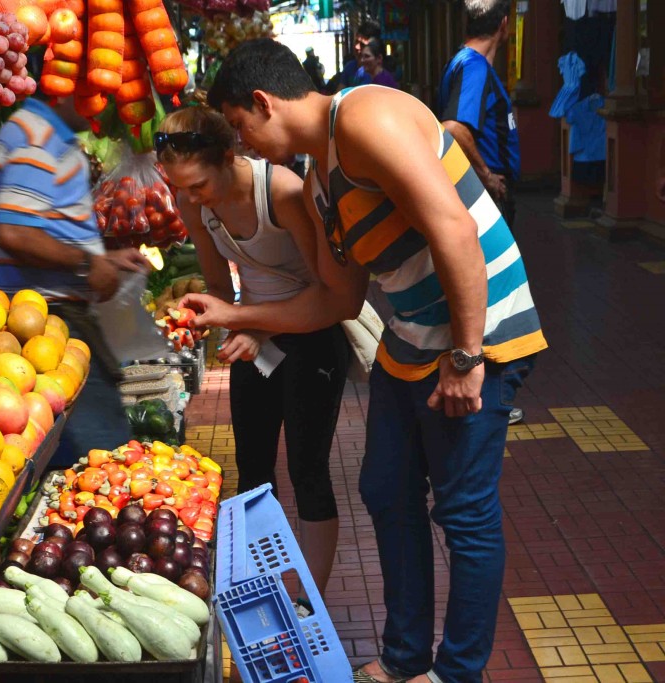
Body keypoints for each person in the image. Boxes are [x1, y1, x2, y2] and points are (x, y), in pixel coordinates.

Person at [184, 38, 546, 683]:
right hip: (409, 342)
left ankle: (457, 672)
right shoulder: (321, 176)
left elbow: (454, 228)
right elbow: (337, 302)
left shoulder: (363, 117)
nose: (241, 146)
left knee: (464, 513)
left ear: (263, 103)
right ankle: (406, 658)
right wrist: (234, 315)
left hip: (479, 336)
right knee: (386, 490)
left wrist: (466, 357)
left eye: (240, 128)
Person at [156, 105, 350, 594]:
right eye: (179, 186)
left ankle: (309, 600)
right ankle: (259, 585)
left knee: (308, 469)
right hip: (257, 336)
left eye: (198, 184)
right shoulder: (193, 204)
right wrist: (207, 317)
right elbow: (220, 284)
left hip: (312, 333)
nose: (189, 197)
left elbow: (324, 290)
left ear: (228, 156)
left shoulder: (281, 190)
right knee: (254, 470)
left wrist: (247, 322)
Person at [0, 94, 150, 464]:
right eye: (96, 92)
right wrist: (89, 264)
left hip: (52, 320)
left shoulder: (46, 134)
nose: (103, 104)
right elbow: (15, 232)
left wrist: (106, 259)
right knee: (103, 453)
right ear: (65, 89)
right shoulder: (36, 136)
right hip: (46, 324)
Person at [437, 0, 522, 425]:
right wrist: (488, 176)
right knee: (491, 295)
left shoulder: (463, 62)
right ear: (505, 26)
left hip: (481, 195)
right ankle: (490, 396)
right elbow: (454, 129)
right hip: (485, 197)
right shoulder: (473, 66)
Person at [335, 17, 381, 89]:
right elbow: (339, 94)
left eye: (362, 44)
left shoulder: (381, 76)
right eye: (356, 42)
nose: (357, 47)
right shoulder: (349, 67)